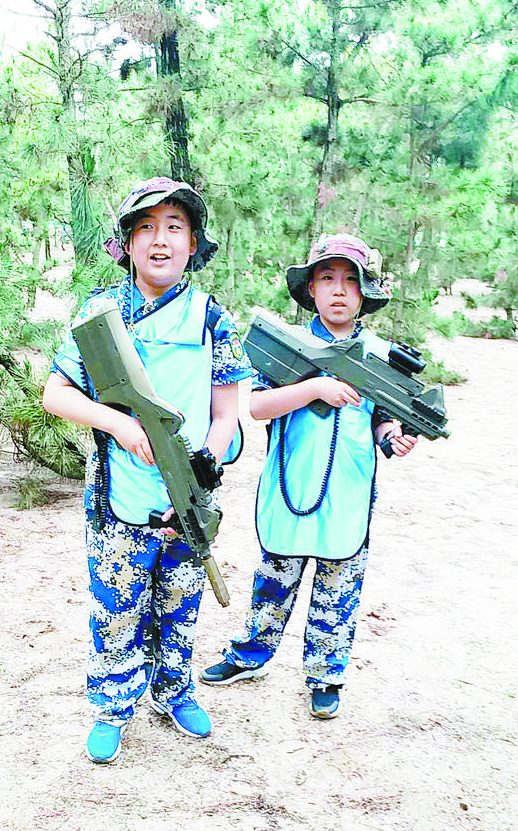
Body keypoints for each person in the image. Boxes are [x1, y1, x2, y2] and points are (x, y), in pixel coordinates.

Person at [42, 177, 253, 762]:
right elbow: (56, 394)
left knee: (180, 603)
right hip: (118, 497)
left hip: (188, 494)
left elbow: (226, 411)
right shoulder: (101, 312)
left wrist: (207, 460)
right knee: (116, 609)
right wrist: (120, 426)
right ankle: (112, 706)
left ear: (193, 244)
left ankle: (174, 691)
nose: (160, 240)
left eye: (174, 228)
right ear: (128, 243)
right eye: (146, 228)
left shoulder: (211, 317)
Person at [200, 233, 418, 719]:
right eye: (327, 278)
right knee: (273, 581)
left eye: (350, 280)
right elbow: (257, 406)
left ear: (365, 292)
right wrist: (315, 387)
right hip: (290, 486)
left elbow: (385, 419)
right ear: (311, 289)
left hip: (348, 490)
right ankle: (250, 655)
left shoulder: (380, 356)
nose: (338, 290)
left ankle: (325, 675)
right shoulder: (287, 347)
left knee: (338, 589)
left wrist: (393, 437)